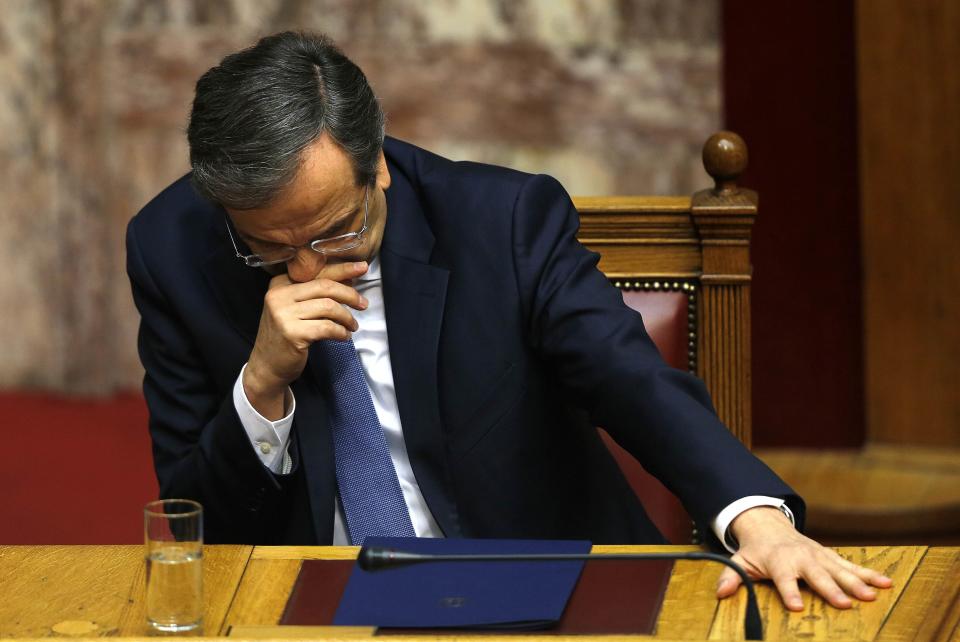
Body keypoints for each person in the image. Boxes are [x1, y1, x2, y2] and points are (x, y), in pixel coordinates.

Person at [126, 31, 890, 611]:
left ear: (380, 166)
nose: (306, 269)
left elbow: (627, 377)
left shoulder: (500, 220)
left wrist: (757, 519)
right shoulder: (174, 250)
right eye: (266, 247)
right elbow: (198, 523)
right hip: (314, 606)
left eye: (334, 233)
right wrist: (261, 385)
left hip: (535, 595)